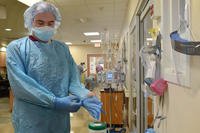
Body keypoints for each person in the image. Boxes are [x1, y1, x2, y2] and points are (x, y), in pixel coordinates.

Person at [6, 2, 102, 133]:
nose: (46, 27)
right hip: (31, 120)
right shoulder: (17, 48)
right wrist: (54, 101)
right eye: (40, 22)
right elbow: (21, 85)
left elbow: (73, 79)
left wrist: (85, 95)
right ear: (30, 22)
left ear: (55, 24)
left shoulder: (62, 49)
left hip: (59, 119)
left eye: (50, 23)